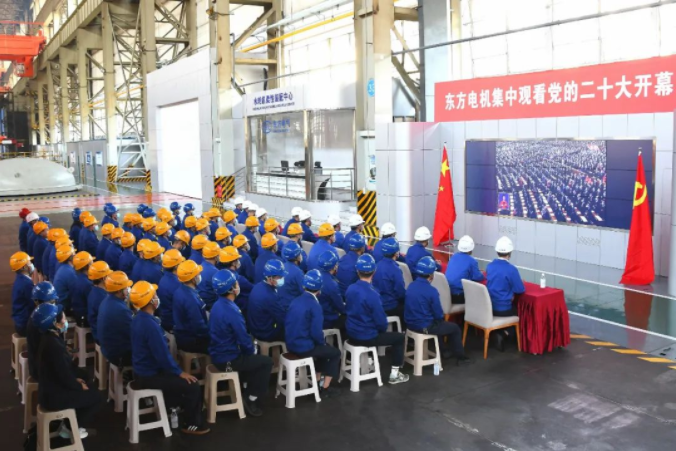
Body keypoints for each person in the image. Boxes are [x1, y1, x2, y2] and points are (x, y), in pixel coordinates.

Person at [129, 281, 210, 435]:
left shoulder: (138, 318)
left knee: (180, 382)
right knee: (192, 385)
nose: (157, 297)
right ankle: (191, 424)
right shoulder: (150, 326)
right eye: (154, 295)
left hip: (141, 371)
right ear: (151, 301)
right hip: (150, 375)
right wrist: (179, 372)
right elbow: (162, 357)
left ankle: (174, 406)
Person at [209, 270, 273, 417]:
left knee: (253, 359)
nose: (238, 285)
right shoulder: (232, 311)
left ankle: (245, 387)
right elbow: (243, 339)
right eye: (236, 283)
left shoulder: (217, 305)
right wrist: (251, 351)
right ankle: (251, 397)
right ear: (232, 289)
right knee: (266, 362)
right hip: (228, 359)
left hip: (217, 354)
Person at [34, 303, 102, 439]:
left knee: (85, 381)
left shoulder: (49, 338)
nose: (65, 321)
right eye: (63, 319)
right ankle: (70, 427)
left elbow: (61, 372)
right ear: (55, 323)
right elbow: (64, 375)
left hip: (50, 389)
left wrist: (76, 380)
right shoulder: (54, 346)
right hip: (53, 397)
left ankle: (71, 422)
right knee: (96, 397)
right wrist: (78, 385)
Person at [345, 254, 409, 384]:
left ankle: (369, 361)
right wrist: (380, 329)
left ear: (357, 270)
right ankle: (395, 374)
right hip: (367, 337)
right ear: (374, 271)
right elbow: (381, 322)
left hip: (351, 333)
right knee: (399, 338)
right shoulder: (373, 294)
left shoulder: (350, 289)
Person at [285, 270, 341, 398]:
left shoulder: (295, 301)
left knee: (322, 350)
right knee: (334, 353)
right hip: (304, 348)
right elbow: (316, 332)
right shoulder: (315, 305)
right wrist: (322, 343)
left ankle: (317, 381)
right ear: (320, 288)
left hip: (291, 344)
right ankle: (325, 388)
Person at [405, 257, 471, 364]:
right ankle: (461, 357)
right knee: (454, 328)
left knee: (437, 323)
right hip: (424, 327)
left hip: (410, 324)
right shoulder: (432, 291)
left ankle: (444, 351)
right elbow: (438, 314)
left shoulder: (410, 286)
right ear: (431, 275)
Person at [486, 236, 525, 351]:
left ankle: (496, 331)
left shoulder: (490, 266)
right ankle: (504, 334)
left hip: (489, 307)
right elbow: (520, 289)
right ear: (510, 252)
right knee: (520, 315)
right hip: (503, 308)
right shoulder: (511, 269)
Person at [98, 271, 134, 367]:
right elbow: (134, 333)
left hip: (107, 348)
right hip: (118, 354)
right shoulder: (120, 309)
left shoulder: (106, 300)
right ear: (119, 291)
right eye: (126, 287)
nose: (128, 289)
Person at [173, 260, 210, 353]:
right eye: (198, 274)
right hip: (192, 340)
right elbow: (199, 327)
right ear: (193, 279)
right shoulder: (191, 299)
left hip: (183, 335)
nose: (200, 275)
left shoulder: (180, 290)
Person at [247, 260, 287, 342]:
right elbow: (283, 318)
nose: (282, 279)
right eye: (279, 277)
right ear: (270, 278)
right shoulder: (270, 296)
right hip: (265, 333)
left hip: (254, 328)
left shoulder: (257, 286)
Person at [27, 282, 58, 379]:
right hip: (43, 371)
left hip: (37, 365)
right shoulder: (43, 322)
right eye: (52, 301)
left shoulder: (36, 316)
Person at [371, 238, 406, 322]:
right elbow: (400, 292)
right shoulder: (395, 269)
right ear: (396, 253)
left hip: (379, 303)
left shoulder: (377, 265)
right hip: (390, 306)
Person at [445, 235, 485, 305]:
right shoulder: (472, 261)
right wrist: (481, 273)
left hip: (447, 293)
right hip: (458, 296)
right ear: (471, 249)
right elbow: (478, 277)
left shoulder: (453, 256)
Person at [218, 246, 253, 314]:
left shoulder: (220, 274)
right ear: (234, 263)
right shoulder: (239, 279)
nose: (239, 261)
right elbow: (253, 289)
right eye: (237, 259)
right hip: (241, 309)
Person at [316, 251, 346, 330]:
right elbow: (340, 308)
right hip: (327, 320)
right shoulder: (331, 284)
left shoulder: (315, 275)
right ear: (334, 266)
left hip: (316, 316)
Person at [157, 249, 185, 332]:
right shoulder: (177, 284)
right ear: (176, 266)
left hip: (166, 318)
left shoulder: (163, 279)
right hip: (174, 322)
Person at [10, 251, 35, 336]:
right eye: (29, 262)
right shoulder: (26, 283)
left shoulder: (20, 279)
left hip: (20, 322)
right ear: (24, 267)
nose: (31, 264)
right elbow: (34, 303)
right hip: (25, 325)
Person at [87, 261, 112, 344]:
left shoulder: (95, 291)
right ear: (104, 278)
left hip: (96, 330)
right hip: (101, 335)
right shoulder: (101, 298)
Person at [278, 241, 305, 311]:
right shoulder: (298, 273)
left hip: (281, 303)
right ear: (297, 257)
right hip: (291, 306)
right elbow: (304, 292)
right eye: (300, 254)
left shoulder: (282, 266)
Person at [71, 251, 95, 326]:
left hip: (77, 314)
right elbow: (92, 305)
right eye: (91, 262)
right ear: (87, 266)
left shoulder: (77, 278)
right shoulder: (87, 284)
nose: (93, 264)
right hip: (84, 318)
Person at [53, 245, 77, 314]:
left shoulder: (63, 268)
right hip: (65, 307)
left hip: (60, 303)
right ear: (71, 258)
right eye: (74, 254)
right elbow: (76, 293)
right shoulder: (70, 272)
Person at [197, 241, 220, 310]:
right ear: (216, 257)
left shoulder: (200, 266)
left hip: (202, 303)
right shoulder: (215, 272)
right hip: (211, 306)